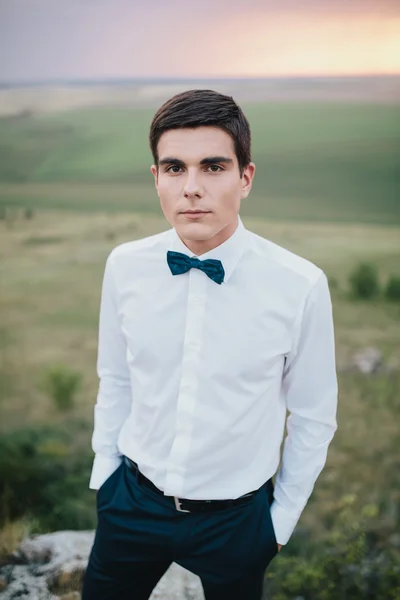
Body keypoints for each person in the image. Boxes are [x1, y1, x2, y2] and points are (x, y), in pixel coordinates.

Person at [82, 89, 338, 600]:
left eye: (213, 167)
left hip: (238, 522)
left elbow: (313, 416)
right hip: (132, 502)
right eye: (174, 168)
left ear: (245, 177)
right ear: (156, 178)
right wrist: (106, 478)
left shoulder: (300, 284)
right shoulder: (124, 265)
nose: (191, 188)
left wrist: (276, 523)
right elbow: (117, 377)